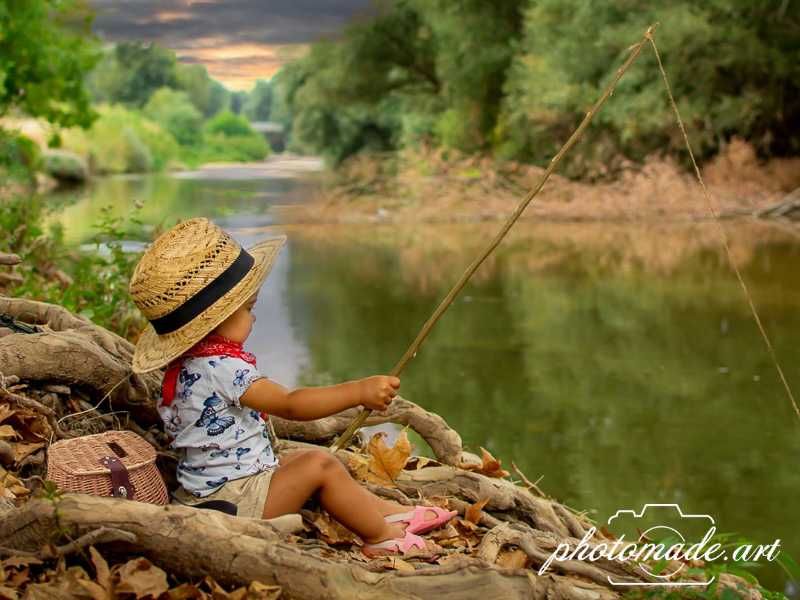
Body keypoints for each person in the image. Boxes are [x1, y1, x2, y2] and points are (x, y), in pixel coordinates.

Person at [129, 218, 455, 556]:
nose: (254, 318)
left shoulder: (188, 366)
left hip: (218, 492)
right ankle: (381, 537)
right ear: (212, 320)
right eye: (248, 309)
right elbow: (291, 405)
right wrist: (358, 392)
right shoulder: (221, 369)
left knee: (302, 460)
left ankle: (391, 514)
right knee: (320, 466)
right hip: (235, 505)